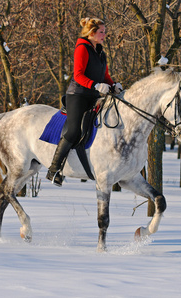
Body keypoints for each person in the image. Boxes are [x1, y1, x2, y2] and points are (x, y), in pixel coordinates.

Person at [46, 17, 123, 187]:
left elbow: (105, 76)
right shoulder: (82, 48)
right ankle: (54, 169)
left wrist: (113, 85)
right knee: (73, 131)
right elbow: (78, 75)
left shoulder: (101, 52)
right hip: (78, 95)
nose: (104, 35)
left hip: (95, 96)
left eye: (104, 31)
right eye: (101, 32)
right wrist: (95, 85)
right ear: (92, 33)